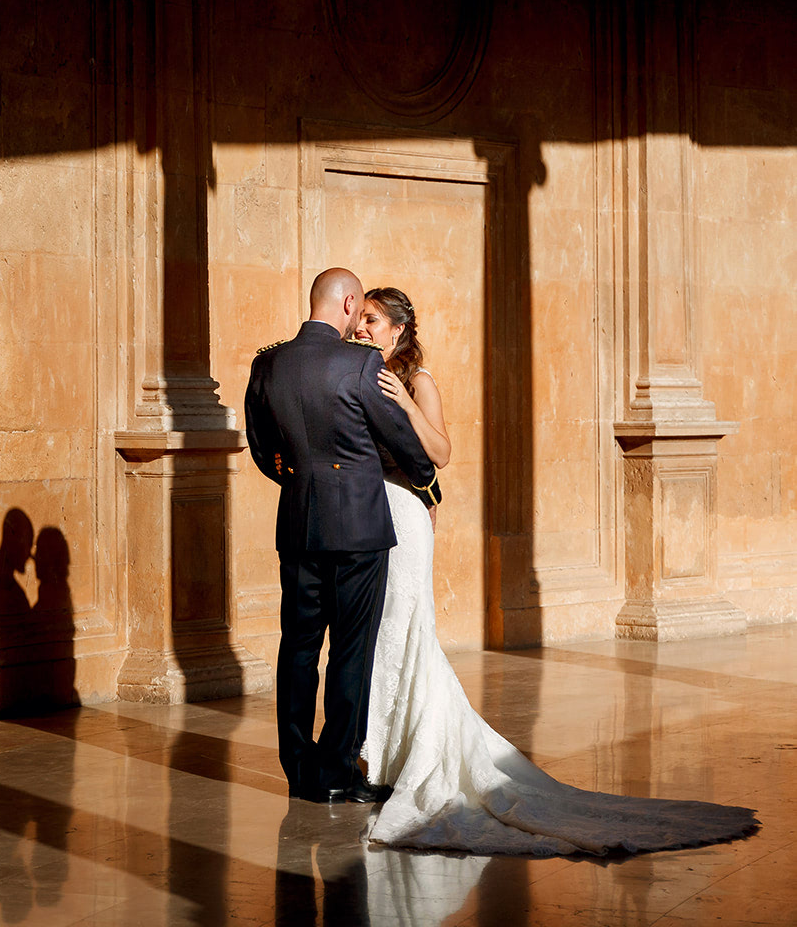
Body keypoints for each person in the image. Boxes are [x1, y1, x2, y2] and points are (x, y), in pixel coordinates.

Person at [355, 286, 758, 854]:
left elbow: (441, 452)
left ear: (398, 329)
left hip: (407, 519)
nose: (362, 326)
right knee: (379, 631)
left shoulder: (418, 382)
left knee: (405, 625)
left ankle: (409, 752)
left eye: (372, 319)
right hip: (370, 516)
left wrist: (404, 403)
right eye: (361, 318)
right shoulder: (358, 374)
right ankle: (377, 751)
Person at [244, 268, 440, 804]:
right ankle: (335, 772)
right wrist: (422, 478)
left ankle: (297, 767)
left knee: (299, 647)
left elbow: (262, 449)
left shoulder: (267, 363)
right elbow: (410, 450)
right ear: (350, 303)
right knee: (351, 650)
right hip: (359, 530)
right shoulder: (361, 364)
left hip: (298, 525)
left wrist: (296, 476)